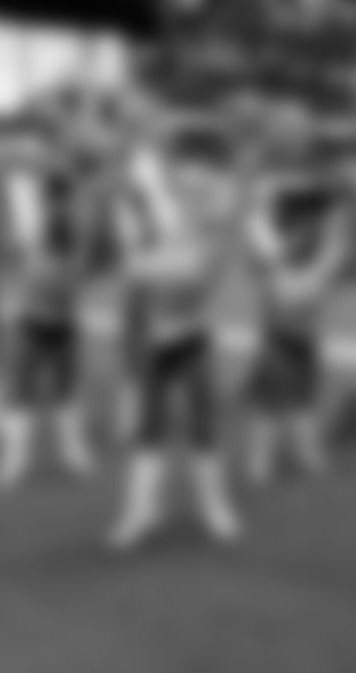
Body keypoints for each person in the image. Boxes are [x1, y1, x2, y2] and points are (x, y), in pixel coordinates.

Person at [107, 135, 240, 549]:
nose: (193, 181)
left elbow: (195, 271)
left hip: (192, 334)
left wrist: (161, 260)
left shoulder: (210, 216)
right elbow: (135, 269)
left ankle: (214, 506)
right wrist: (159, 257)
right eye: (184, 172)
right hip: (152, 338)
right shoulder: (142, 213)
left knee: (204, 426)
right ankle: (140, 510)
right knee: (150, 430)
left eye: (201, 174)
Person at [240, 158, 356, 484]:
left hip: (303, 335)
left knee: (303, 397)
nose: (308, 227)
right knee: (270, 401)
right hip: (280, 337)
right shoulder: (279, 251)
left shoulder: (318, 248)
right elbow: (263, 230)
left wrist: (349, 195)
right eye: (301, 221)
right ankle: (261, 459)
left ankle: (305, 453)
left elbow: (340, 232)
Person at [0, 128, 97, 490]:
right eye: (53, 201)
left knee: (66, 390)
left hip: (63, 323)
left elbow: (83, 192)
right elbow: (4, 201)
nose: (58, 207)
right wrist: (3, 168)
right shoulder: (27, 234)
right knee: (22, 392)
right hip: (30, 322)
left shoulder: (75, 234)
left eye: (62, 200)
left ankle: (73, 451)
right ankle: (15, 459)